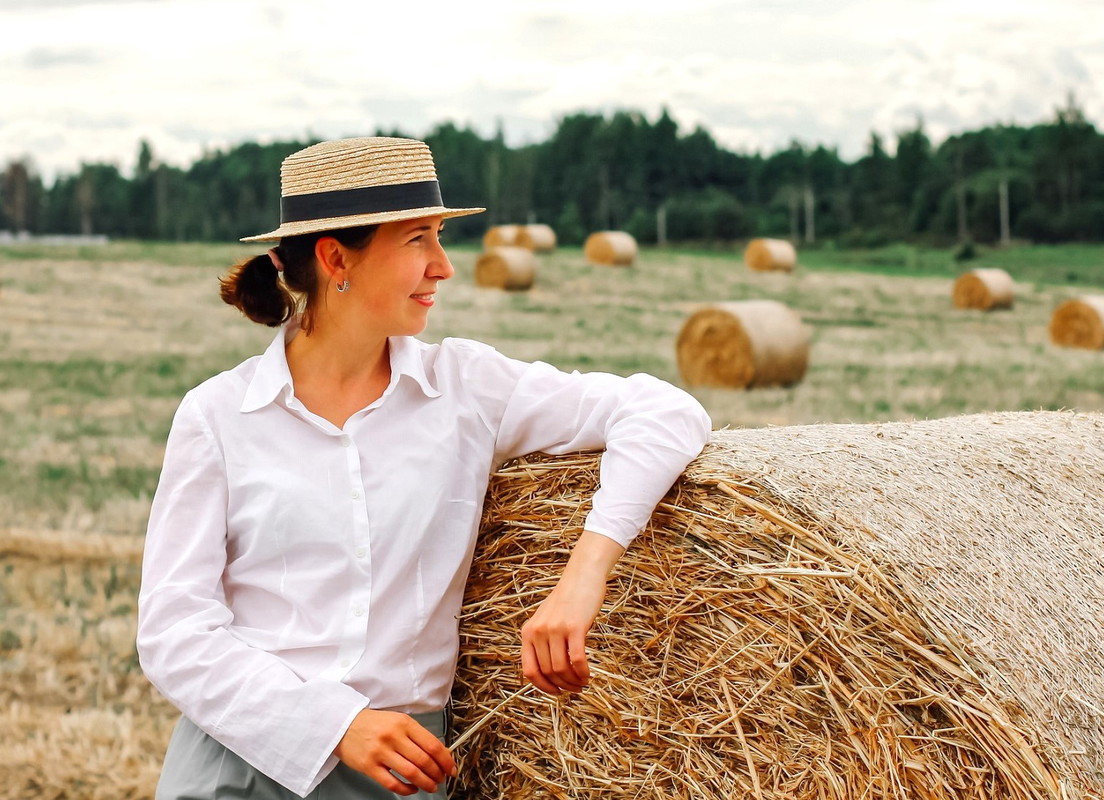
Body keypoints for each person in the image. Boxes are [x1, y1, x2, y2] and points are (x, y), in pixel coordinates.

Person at [136, 136, 711, 800]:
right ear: (335, 259)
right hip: (234, 761)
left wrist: (584, 576)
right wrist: (335, 724)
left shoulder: (468, 389)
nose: (444, 266)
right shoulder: (217, 415)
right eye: (418, 240)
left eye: (440, 236)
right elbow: (174, 630)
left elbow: (665, 412)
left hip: (399, 776)